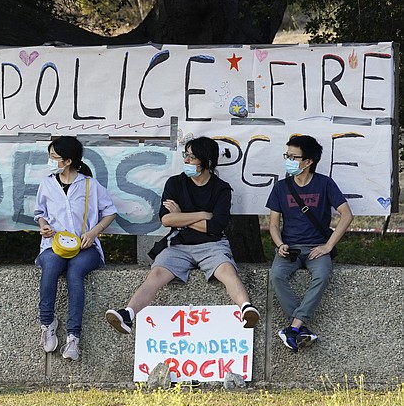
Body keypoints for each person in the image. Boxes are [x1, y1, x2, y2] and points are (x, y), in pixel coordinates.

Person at [106, 137, 260, 334]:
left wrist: (180, 216)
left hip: (212, 245)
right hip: (178, 243)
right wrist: (202, 215)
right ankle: (128, 314)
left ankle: (246, 308)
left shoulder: (221, 188)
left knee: (227, 271)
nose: (186, 160)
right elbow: (166, 220)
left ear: (208, 162)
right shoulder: (175, 183)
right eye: (185, 155)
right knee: (156, 274)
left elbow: (215, 227)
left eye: (192, 157)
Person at [34, 137, 117, 361]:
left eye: (55, 157)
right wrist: (44, 227)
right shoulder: (47, 183)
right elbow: (39, 213)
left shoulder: (90, 185)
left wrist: (93, 232)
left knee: (75, 272)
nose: (51, 161)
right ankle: (47, 322)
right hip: (54, 245)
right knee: (50, 265)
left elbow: (110, 212)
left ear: (68, 160)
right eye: (51, 156)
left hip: (85, 246)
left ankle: (73, 337)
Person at [267, 134, 352, 352]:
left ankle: (293, 327)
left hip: (317, 247)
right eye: (287, 155)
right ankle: (299, 328)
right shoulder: (281, 187)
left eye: (293, 157)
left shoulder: (325, 183)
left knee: (322, 275)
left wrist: (328, 246)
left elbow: (346, 215)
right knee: (276, 275)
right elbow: (274, 224)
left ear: (308, 161)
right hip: (289, 247)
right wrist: (279, 244)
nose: (288, 160)